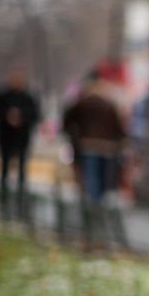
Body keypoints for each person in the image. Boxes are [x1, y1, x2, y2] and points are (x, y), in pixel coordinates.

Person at [61, 71, 127, 202]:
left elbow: (67, 119)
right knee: (103, 177)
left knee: (92, 176)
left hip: (89, 144)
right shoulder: (108, 104)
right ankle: (99, 203)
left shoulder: (83, 102)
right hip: (107, 146)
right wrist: (122, 140)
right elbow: (118, 126)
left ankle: (94, 205)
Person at [0, 65, 41, 212]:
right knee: (4, 165)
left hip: (22, 137)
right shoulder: (3, 95)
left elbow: (35, 115)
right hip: (6, 136)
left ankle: (20, 193)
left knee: (22, 167)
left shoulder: (28, 97)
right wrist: (8, 116)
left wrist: (21, 117)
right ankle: (3, 193)